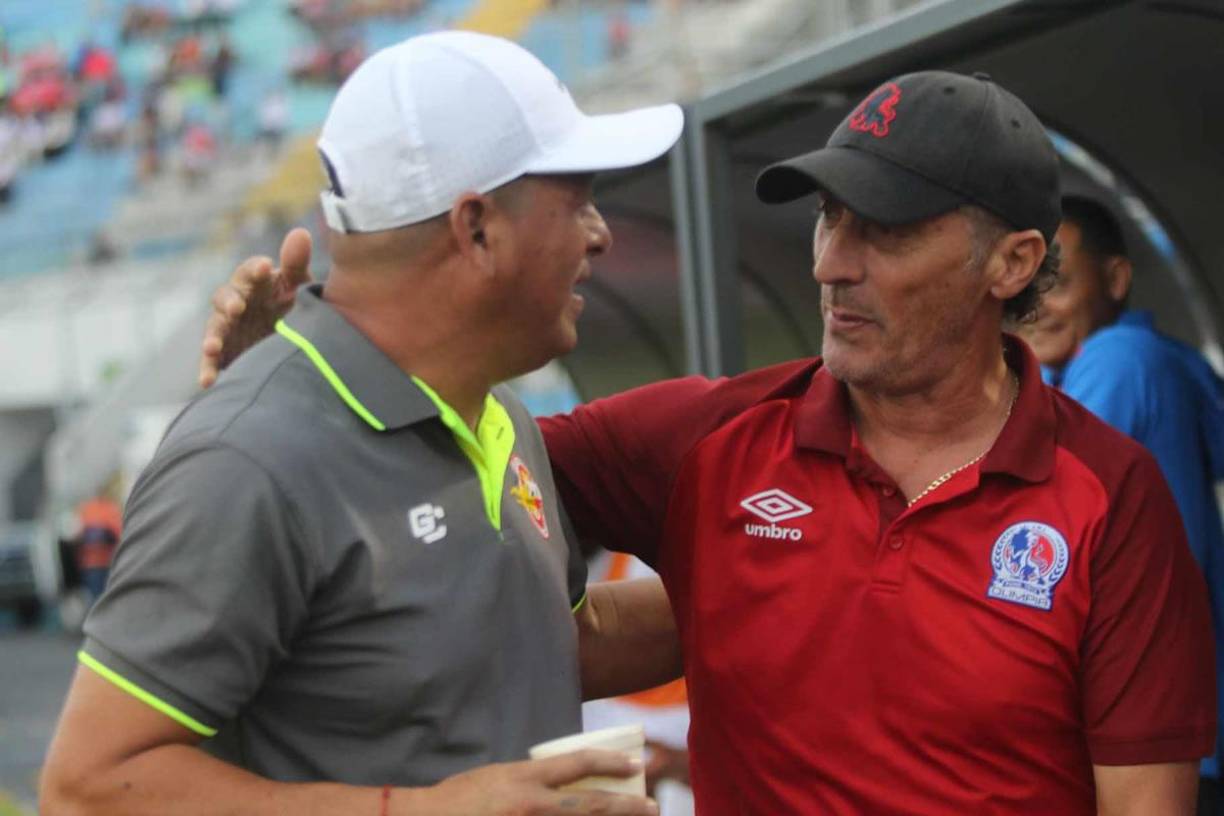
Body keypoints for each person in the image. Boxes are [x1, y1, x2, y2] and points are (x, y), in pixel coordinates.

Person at [199, 71, 1216, 813]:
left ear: (1014, 262)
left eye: (887, 230)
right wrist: (288, 395)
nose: (832, 264)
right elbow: (423, 473)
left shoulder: (1110, 496)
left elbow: (1144, 806)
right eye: (828, 219)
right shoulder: (707, 437)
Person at [41, 32, 686, 816]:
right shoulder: (245, 458)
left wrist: (810, 572)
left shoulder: (498, 415)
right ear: (476, 228)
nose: (599, 233)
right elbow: (89, 787)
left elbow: (553, 642)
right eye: (576, 198)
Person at [1018, 195, 1224, 812]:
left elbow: (1042, 521)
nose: (1036, 305)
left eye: (1057, 280)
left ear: (1115, 280)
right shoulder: (1109, 365)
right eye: (1026, 284)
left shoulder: (1120, 360)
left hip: (1160, 728)